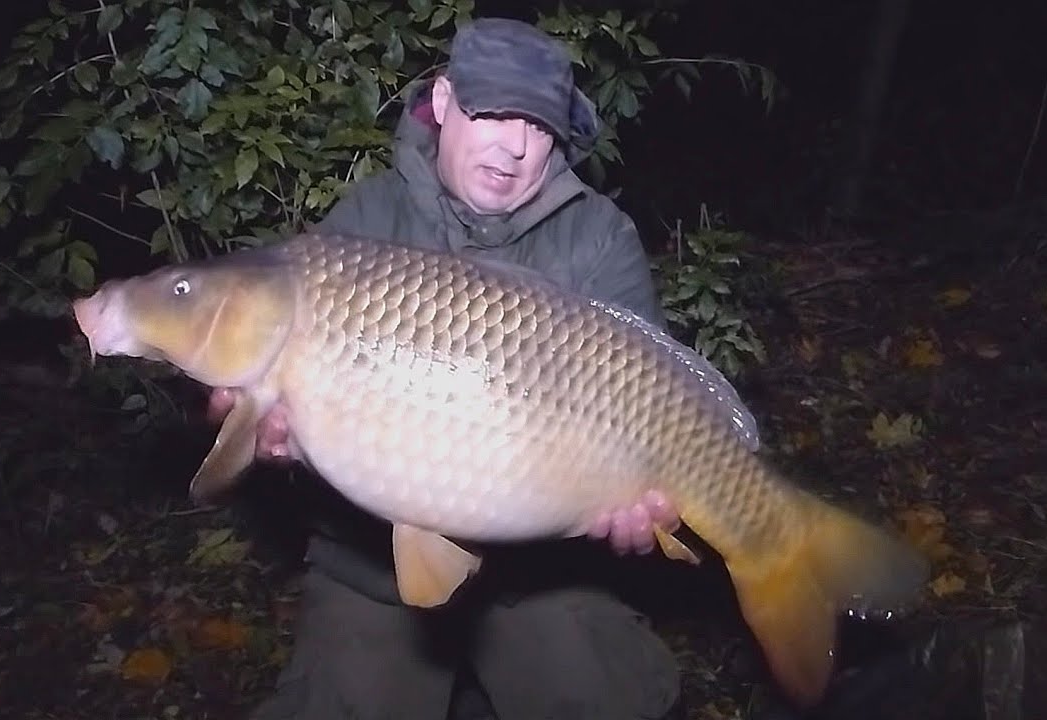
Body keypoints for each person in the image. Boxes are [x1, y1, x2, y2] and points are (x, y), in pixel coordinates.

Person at [209, 17, 719, 720]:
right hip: (373, 569)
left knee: (602, 698)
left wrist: (641, 504)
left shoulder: (598, 238)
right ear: (443, 102)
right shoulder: (367, 220)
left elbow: (657, 414)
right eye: (493, 113)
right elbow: (291, 425)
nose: (513, 146)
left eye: (538, 127)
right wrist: (275, 441)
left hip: (541, 572)